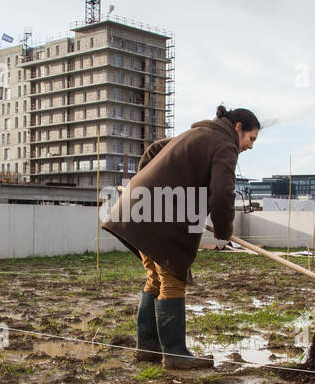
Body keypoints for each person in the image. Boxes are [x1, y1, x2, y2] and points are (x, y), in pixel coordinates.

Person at [103, 105, 260, 369]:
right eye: (251, 138)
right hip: (160, 214)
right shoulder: (225, 144)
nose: (250, 146)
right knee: (173, 279)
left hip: (139, 207)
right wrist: (224, 231)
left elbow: (153, 151)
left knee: (156, 278)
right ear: (237, 129)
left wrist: (143, 185)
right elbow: (223, 192)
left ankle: (149, 349)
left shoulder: (197, 133)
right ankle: (176, 354)